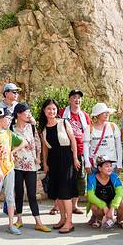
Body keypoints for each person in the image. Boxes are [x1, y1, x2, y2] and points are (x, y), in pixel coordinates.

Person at [0, 107, 27, 237]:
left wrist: (12, 152)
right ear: (0, 119)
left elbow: (24, 142)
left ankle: (11, 225)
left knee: (10, 197)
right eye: (8, 118)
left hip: (9, 169)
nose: (10, 121)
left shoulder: (9, 133)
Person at [40, 98, 81, 234]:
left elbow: (73, 140)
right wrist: (45, 163)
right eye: (48, 109)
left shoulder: (64, 122)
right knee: (58, 193)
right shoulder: (43, 128)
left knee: (65, 192)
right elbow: (45, 148)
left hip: (66, 159)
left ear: (57, 110)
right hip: (53, 160)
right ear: (44, 111)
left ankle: (69, 222)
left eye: (54, 109)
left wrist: (75, 158)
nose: (51, 111)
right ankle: (62, 219)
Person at [10, 103, 51, 232]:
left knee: (32, 194)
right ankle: (19, 220)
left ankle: (38, 222)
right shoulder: (11, 128)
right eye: (26, 112)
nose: (29, 114)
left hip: (31, 165)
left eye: (29, 112)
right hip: (16, 165)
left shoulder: (31, 127)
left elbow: (37, 142)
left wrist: (38, 157)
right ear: (18, 114)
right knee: (19, 193)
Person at [58, 89, 91, 216]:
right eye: (74, 97)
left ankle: (74, 205)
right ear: (69, 100)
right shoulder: (62, 113)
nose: (77, 100)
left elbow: (89, 132)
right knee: (63, 178)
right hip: (65, 150)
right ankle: (58, 205)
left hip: (81, 151)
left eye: (79, 98)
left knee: (79, 178)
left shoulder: (84, 116)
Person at [86, 156, 123, 230]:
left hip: (112, 201)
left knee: (122, 202)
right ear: (99, 168)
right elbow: (90, 196)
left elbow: (120, 193)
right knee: (94, 206)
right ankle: (100, 220)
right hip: (100, 201)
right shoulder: (92, 178)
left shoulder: (114, 177)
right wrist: (104, 206)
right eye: (106, 166)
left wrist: (112, 208)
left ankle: (120, 220)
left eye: (110, 166)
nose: (109, 168)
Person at [87, 103, 123, 171]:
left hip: (112, 165)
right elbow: (86, 147)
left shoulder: (113, 126)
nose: (107, 114)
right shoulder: (89, 128)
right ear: (97, 115)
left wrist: (119, 163)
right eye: (104, 112)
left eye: (107, 112)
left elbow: (119, 146)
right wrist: (87, 163)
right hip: (96, 165)